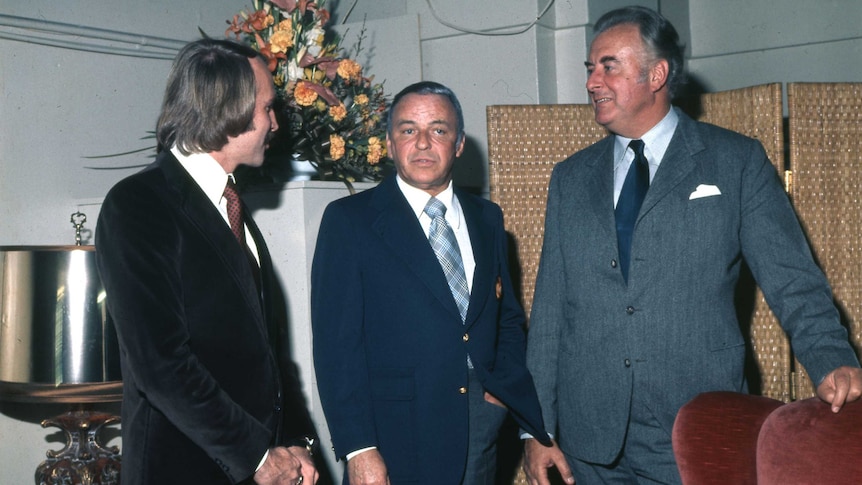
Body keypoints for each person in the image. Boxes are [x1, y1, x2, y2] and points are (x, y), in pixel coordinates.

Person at [522, 6, 862, 485]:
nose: (592, 81)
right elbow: (551, 310)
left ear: (657, 74)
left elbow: (792, 279)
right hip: (589, 439)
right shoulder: (570, 178)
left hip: (695, 428)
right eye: (589, 68)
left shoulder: (735, 161)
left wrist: (833, 358)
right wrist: (536, 429)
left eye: (608, 66)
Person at [96, 39, 318, 485]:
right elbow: (161, 364)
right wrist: (258, 457)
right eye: (267, 109)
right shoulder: (138, 205)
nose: (275, 124)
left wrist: (295, 440)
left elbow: (268, 352)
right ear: (227, 109)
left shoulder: (230, 205)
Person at [311, 81, 552, 485]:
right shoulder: (350, 221)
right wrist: (359, 448)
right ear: (389, 143)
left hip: (481, 424)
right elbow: (337, 348)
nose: (423, 143)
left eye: (438, 130)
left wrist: (512, 400)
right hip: (395, 435)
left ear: (458, 144)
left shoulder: (487, 218)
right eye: (408, 130)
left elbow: (507, 321)